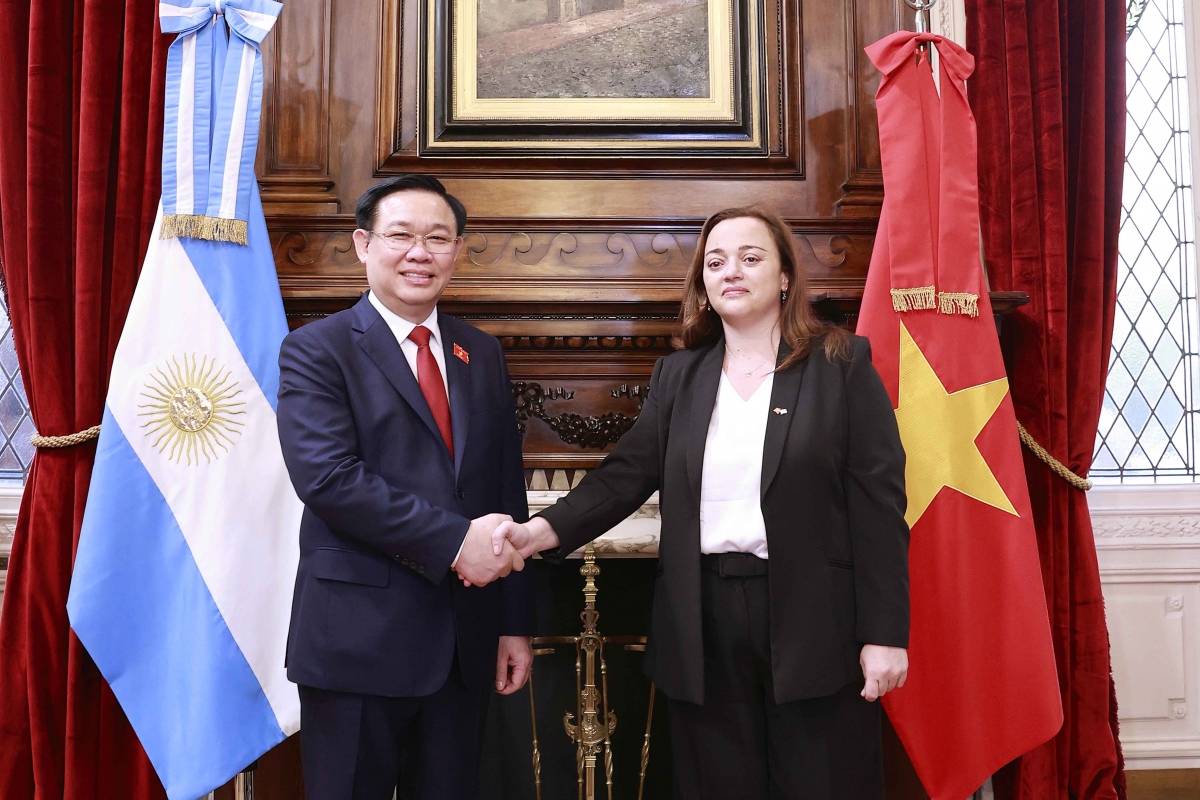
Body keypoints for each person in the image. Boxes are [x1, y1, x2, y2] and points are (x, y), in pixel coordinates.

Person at [491, 207, 910, 799]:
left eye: (749, 257)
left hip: (816, 621)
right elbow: (622, 479)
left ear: (785, 276)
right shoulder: (679, 375)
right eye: (715, 262)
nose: (730, 271)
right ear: (703, 284)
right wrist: (536, 533)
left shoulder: (841, 365)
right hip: (701, 618)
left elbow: (879, 507)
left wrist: (885, 633)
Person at [277, 175, 533, 800]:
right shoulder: (316, 349)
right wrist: (455, 543)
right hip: (357, 642)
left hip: (464, 644)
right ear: (364, 245)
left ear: (457, 251)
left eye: (438, 238)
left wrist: (512, 622)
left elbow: (505, 488)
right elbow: (329, 479)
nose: (420, 253)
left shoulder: (481, 353)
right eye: (401, 236)